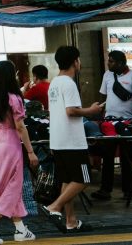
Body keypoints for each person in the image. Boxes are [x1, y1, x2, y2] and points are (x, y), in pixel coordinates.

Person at [0, 60, 39, 244]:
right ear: (11, 76)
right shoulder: (14, 98)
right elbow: (20, 127)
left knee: (8, 184)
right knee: (13, 185)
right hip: (12, 144)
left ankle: (20, 230)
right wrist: (30, 151)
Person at [41, 46, 103, 234]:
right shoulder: (69, 83)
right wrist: (91, 111)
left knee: (67, 181)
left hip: (58, 140)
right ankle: (54, 207)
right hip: (72, 141)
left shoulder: (54, 83)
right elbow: (71, 111)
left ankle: (71, 221)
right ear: (75, 61)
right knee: (84, 179)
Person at [92, 51, 132, 201]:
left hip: (127, 122)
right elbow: (103, 96)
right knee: (107, 156)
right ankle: (105, 190)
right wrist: (101, 116)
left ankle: (128, 190)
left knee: (126, 157)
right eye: (109, 61)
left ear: (121, 63)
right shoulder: (107, 75)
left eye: (112, 62)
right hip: (109, 122)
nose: (109, 64)